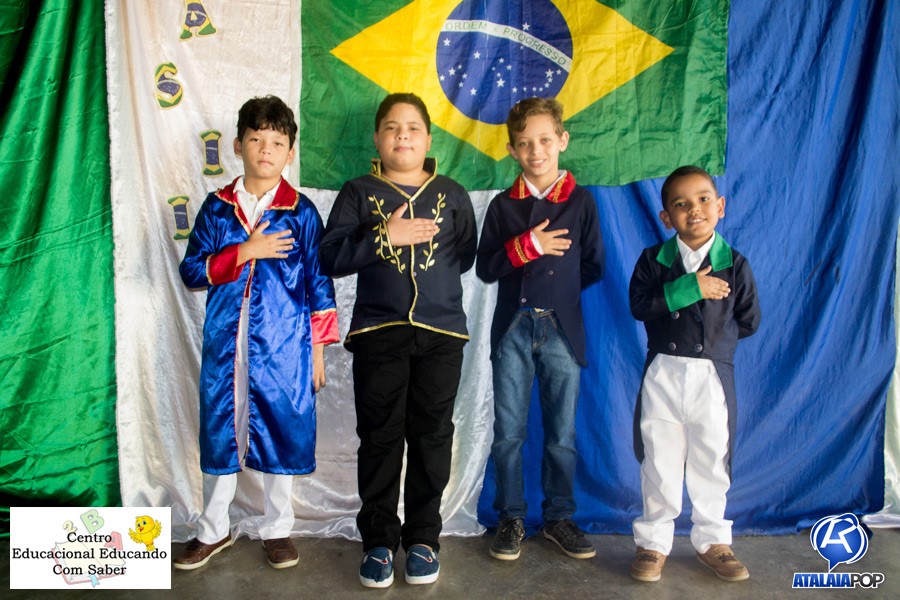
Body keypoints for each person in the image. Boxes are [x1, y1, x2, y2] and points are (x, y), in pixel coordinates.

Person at [319, 93, 477, 588]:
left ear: (429, 139)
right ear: (376, 138)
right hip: (378, 333)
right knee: (380, 437)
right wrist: (385, 237)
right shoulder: (358, 191)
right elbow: (331, 257)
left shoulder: (452, 194)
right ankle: (379, 542)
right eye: (391, 127)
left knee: (433, 436)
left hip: (442, 335)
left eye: (412, 128)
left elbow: (465, 254)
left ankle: (425, 538)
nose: (402, 135)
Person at [175, 95, 339, 571]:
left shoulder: (301, 212)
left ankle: (278, 528)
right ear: (237, 145)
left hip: (285, 346)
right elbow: (192, 271)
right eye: (256, 139)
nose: (266, 149)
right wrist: (245, 251)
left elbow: (319, 285)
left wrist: (318, 353)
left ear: (290, 152)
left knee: (281, 427)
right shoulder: (217, 209)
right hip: (226, 343)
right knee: (220, 429)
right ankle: (213, 529)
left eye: (277, 142)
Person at [476, 97, 604, 561]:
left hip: (562, 330)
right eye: (525, 144)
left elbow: (593, 265)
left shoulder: (580, 201)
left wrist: (558, 295)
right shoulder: (502, 206)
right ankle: (510, 516)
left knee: (562, 434)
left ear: (562, 141)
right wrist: (528, 246)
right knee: (509, 432)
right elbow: (487, 268)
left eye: (545, 140)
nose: (536, 151)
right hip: (512, 328)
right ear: (512, 150)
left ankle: (559, 517)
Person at [629, 165, 760, 582]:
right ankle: (653, 541)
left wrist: (715, 343)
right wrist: (692, 289)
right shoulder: (653, 261)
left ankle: (713, 541)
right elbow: (640, 306)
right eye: (681, 204)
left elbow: (749, 320)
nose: (694, 210)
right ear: (666, 217)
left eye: (703, 199)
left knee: (711, 458)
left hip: (711, 377)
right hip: (663, 374)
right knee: (659, 459)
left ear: (720, 206)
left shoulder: (735, 265)